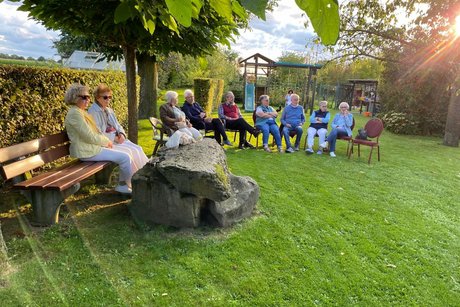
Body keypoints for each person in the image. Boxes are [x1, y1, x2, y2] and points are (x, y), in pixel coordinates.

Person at [64, 83, 134, 194]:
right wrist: (107, 142)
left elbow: (95, 132)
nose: (87, 99)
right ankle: (124, 186)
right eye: (84, 97)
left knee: (127, 153)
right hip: (86, 152)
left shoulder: (80, 112)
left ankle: (125, 184)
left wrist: (107, 141)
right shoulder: (75, 114)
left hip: (91, 148)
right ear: (74, 98)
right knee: (125, 157)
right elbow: (89, 136)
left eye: (88, 97)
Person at [88, 83, 149, 171]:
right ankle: (135, 177)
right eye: (105, 97)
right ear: (97, 98)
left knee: (138, 149)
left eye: (110, 97)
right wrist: (115, 138)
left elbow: (118, 125)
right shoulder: (93, 111)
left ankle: (146, 173)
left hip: (118, 139)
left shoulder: (109, 110)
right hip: (107, 143)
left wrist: (122, 134)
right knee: (129, 152)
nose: (108, 99)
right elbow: (97, 132)